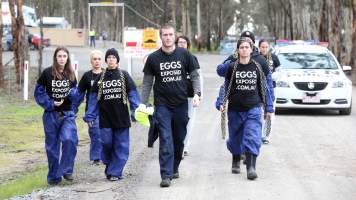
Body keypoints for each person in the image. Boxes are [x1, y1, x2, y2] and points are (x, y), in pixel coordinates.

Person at [141, 24, 201, 187]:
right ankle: (165, 175)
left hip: (181, 104)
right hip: (162, 105)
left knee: (179, 139)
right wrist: (143, 103)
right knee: (166, 139)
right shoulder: (153, 58)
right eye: (165, 35)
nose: (168, 37)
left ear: (175, 37)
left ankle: (174, 167)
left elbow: (195, 75)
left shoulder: (185, 54)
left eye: (170, 34)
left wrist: (197, 94)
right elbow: (147, 82)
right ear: (160, 37)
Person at [217, 37, 274, 180]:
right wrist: (221, 102)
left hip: (253, 107)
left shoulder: (258, 66)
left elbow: (266, 87)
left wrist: (269, 106)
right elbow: (225, 86)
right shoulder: (232, 67)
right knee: (235, 138)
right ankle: (236, 159)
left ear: (251, 49)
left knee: (253, 135)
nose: (244, 50)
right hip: (235, 109)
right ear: (238, 50)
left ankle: (251, 167)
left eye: (246, 47)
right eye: (241, 47)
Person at [83, 48, 140, 181]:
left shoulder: (124, 75)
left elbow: (132, 94)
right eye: (108, 57)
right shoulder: (99, 78)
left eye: (113, 57)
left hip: (121, 118)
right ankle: (109, 164)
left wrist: (136, 110)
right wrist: (90, 115)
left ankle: (115, 172)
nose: (111, 59)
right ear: (106, 60)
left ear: (117, 60)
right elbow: (92, 99)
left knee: (121, 145)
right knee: (107, 143)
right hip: (105, 118)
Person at [34, 46, 78, 185]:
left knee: (69, 139)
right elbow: (39, 92)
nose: (62, 59)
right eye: (59, 56)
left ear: (67, 58)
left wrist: (72, 101)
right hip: (51, 115)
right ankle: (53, 178)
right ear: (55, 58)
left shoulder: (71, 74)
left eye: (64, 56)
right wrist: (51, 103)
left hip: (67, 114)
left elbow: (76, 93)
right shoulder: (47, 73)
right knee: (52, 148)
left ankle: (67, 170)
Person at [175, 35, 202, 157]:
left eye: (184, 42)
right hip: (175, 97)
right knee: (177, 122)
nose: (181, 44)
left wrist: (198, 94)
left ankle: (184, 146)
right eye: (179, 42)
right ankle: (177, 145)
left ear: (188, 45)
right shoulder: (171, 59)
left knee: (188, 122)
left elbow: (198, 78)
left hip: (190, 96)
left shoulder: (193, 58)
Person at [75, 50, 103, 164]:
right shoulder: (87, 76)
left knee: (107, 134)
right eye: (94, 59)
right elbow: (79, 95)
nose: (97, 61)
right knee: (95, 133)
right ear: (91, 61)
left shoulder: (107, 74)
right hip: (92, 111)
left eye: (99, 59)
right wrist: (73, 109)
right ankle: (96, 158)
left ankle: (106, 156)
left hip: (107, 110)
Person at [258, 39, 280, 144]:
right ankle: (258, 134)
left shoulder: (274, 58)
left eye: (266, 47)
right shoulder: (256, 58)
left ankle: (266, 136)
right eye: (262, 47)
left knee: (270, 112)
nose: (264, 49)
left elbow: (280, 72)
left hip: (272, 89)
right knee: (259, 112)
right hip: (258, 89)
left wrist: (272, 76)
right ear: (259, 47)